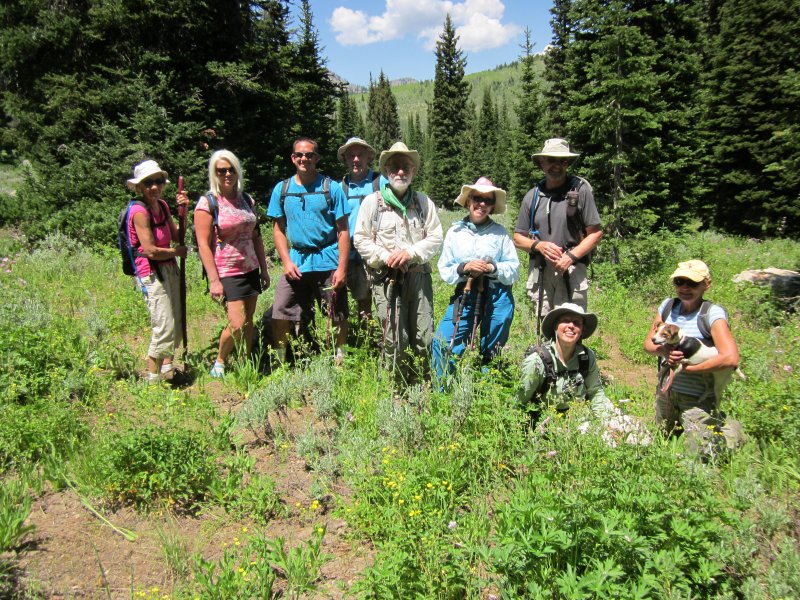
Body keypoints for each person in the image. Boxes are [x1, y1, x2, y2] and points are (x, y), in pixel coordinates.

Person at [354, 142, 443, 382]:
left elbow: (435, 236)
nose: (400, 172)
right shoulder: (372, 203)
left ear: (413, 171)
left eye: (405, 167)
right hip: (385, 279)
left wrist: (411, 253)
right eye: (394, 167)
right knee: (395, 337)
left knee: (424, 334)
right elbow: (360, 238)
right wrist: (386, 256)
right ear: (386, 171)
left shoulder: (424, 203)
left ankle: (422, 384)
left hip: (419, 277)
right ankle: (397, 388)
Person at [643, 260, 745, 458]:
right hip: (667, 392)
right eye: (679, 281)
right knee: (663, 442)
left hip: (697, 397)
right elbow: (648, 344)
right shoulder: (668, 306)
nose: (684, 288)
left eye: (692, 283)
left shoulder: (711, 314)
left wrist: (691, 369)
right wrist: (666, 352)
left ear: (706, 284)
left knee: (699, 456)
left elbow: (731, 358)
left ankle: (732, 432)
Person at [266, 137, 350, 364]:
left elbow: (343, 230)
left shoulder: (331, 188)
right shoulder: (281, 189)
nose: (305, 159)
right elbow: (278, 229)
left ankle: (339, 355)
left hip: (328, 258)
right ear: (293, 158)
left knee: (336, 312)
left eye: (310, 155)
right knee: (280, 310)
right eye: (300, 155)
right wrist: (285, 261)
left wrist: (342, 268)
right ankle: (281, 359)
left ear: (317, 158)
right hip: (297, 261)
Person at [432, 177, 519, 379]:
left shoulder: (500, 233)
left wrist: (491, 267)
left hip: (498, 296)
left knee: (492, 349)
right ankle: (442, 390)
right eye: (477, 198)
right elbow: (444, 268)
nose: (482, 204)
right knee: (442, 341)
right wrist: (464, 267)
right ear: (469, 200)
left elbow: (513, 269)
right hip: (466, 293)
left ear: (492, 206)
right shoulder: (455, 232)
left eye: (488, 201)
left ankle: (485, 391)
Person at [513, 138, 603, 331]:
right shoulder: (533, 196)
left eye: (562, 161)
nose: (557, 165)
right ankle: (546, 359)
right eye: (551, 160)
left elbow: (595, 233)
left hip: (572, 269)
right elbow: (518, 237)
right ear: (542, 162)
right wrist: (539, 246)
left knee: (573, 323)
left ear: (567, 164)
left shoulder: (580, 191)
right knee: (545, 323)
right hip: (541, 269)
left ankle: (573, 360)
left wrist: (570, 257)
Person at [194, 150, 270, 378]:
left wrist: (264, 269)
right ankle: (220, 360)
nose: (227, 174)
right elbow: (203, 245)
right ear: (214, 173)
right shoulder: (207, 204)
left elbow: (256, 236)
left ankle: (248, 361)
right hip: (227, 270)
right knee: (236, 322)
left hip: (250, 267)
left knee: (249, 321)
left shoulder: (246, 200)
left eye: (231, 169)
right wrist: (214, 281)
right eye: (221, 170)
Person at [125, 159, 189, 383]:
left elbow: (175, 235)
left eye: (158, 181)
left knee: (176, 317)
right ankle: (152, 380)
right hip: (151, 273)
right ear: (139, 187)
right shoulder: (139, 212)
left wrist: (185, 210)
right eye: (148, 183)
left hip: (169, 268)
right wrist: (177, 252)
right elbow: (150, 250)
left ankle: (167, 369)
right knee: (164, 324)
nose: (154, 187)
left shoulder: (161, 206)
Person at [518, 303, 614, 420]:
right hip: (545, 422)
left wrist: (604, 422)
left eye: (577, 323)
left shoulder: (587, 357)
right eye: (565, 321)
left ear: (582, 329)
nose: (571, 326)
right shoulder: (537, 361)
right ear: (555, 326)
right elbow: (521, 400)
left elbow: (595, 391)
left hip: (578, 419)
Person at [338, 137, 382, 320]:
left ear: (368, 157)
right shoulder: (340, 187)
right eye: (351, 156)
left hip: (376, 249)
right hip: (349, 251)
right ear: (346, 159)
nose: (356, 159)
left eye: (360, 155)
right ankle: (357, 334)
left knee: (378, 297)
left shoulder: (380, 182)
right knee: (351, 296)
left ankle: (373, 338)